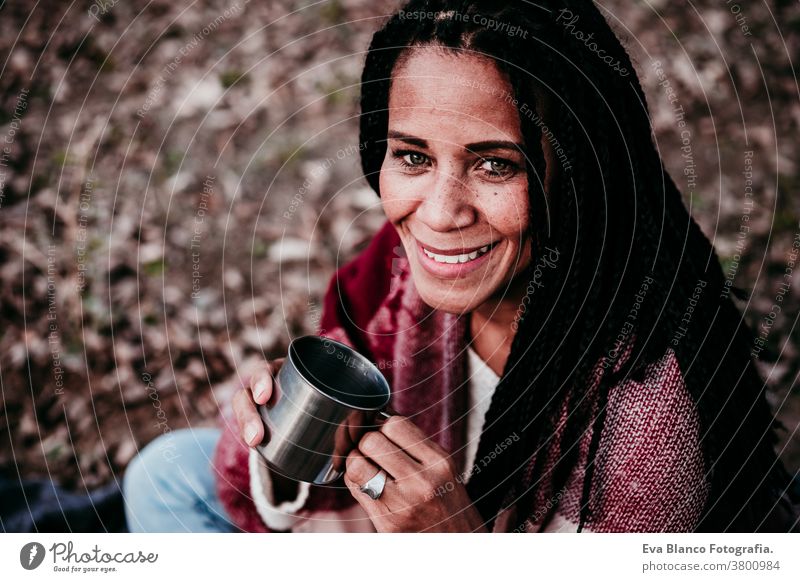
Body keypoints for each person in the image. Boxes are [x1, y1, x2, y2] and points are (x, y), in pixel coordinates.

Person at [124, 0, 799, 533]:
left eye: (495, 164)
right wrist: (285, 435)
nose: (440, 214)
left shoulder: (647, 428)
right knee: (165, 473)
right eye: (413, 156)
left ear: (579, 176)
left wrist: (454, 546)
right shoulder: (399, 273)